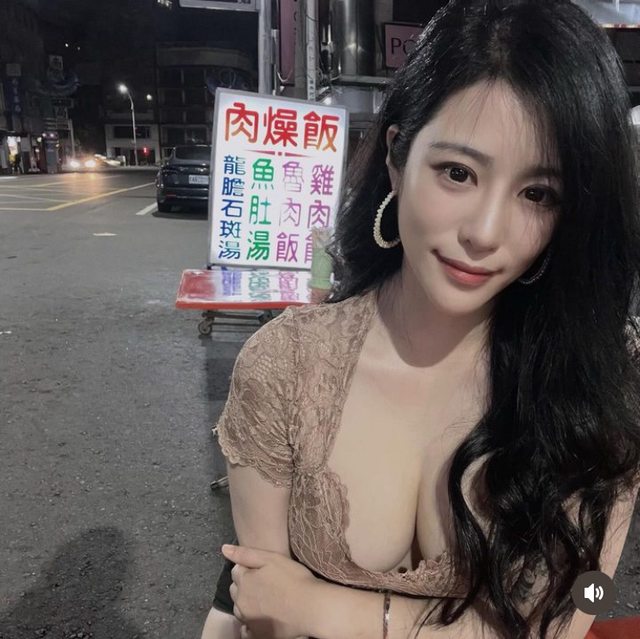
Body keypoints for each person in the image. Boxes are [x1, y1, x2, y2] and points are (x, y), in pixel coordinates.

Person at [200, 1, 640, 637]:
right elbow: (265, 608)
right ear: (396, 157)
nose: (485, 232)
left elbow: (572, 616)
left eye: (537, 194)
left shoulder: (600, 384)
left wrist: (328, 608)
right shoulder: (285, 368)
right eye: (458, 172)